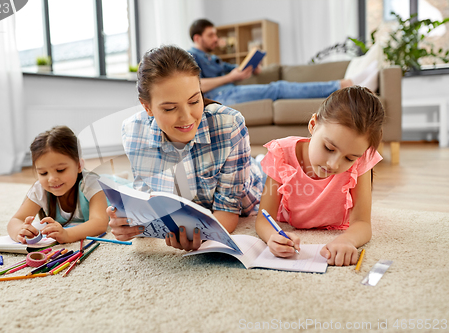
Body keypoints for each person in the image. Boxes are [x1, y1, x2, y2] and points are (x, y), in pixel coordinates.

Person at [107, 45, 264, 251]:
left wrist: (199, 235)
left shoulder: (229, 124)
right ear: (147, 107)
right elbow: (147, 201)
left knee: (266, 172)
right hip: (186, 201)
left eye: (194, 100)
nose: (187, 117)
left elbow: (227, 214)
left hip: (249, 187)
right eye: (170, 108)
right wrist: (131, 226)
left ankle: (261, 160)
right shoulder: (133, 131)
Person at [255, 86, 385, 266]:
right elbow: (263, 217)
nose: (334, 164)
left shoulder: (361, 159)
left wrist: (347, 240)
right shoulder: (282, 154)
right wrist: (273, 236)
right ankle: (258, 162)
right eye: (329, 148)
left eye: (349, 158)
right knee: (252, 182)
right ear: (313, 125)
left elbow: (362, 223)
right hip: (265, 179)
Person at [188, 19, 379, 106]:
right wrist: (230, 77)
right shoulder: (191, 57)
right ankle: (343, 85)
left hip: (229, 90)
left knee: (277, 88)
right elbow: (196, 85)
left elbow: (236, 70)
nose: (216, 38)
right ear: (197, 38)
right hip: (220, 97)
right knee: (277, 88)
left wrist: (251, 68)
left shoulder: (214, 58)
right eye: (210, 35)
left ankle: (345, 84)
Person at [8, 126, 108, 244]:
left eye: (60, 170)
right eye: (43, 173)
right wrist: (20, 231)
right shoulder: (40, 189)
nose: (52, 179)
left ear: (79, 165)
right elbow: (16, 220)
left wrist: (67, 234)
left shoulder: (91, 183)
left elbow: (100, 223)